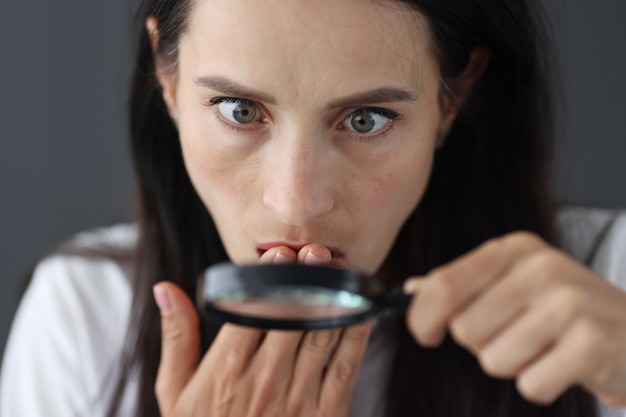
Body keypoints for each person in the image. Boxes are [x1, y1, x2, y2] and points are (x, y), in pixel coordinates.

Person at [1, 0, 625, 416]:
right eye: (239, 111)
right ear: (168, 82)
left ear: (451, 99)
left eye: (367, 118)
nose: (296, 203)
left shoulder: (607, 287)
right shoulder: (84, 320)